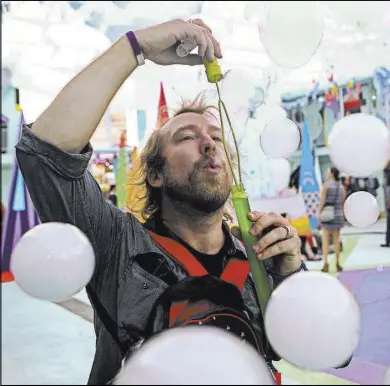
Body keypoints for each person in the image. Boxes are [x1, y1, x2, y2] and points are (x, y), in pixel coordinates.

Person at [15, 18, 306, 385]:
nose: (209, 144)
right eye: (187, 137)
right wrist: (136, 47)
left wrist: (291, 275)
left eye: (216, 137)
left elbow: (309, 347)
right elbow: (44, 152)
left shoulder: (260, 256)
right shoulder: (117, 245)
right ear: (154, 175)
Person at [318, 167, 346, 272]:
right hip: (338, 215)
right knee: (336, 241)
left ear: (332, 173)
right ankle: (338, 263)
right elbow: (342, 202)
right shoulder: (341, 186)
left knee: (325, 240)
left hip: (328, 215)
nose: (327, 173)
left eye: (328, 171)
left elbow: (322, 201)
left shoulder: (326, 185)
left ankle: (325, 263)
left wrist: (319, 213)